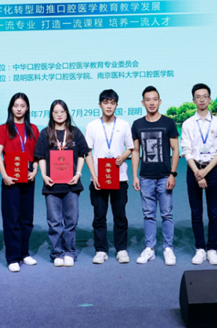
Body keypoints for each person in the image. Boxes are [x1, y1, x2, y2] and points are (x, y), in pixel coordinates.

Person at [35, 100, 89, 267]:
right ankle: (57, 252)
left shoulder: (75, 132)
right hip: (51, 185)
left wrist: (78, 173)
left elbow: (82, 154)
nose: (59, 114)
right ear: (51, 114)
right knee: (54, 221)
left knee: (71, 220)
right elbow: (41, 157)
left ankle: (70, 252)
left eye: (62, 111)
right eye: (56, 112)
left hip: (71, 184)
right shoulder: (45, 133)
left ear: (67, 113)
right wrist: (44, 175)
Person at [131, 86, 180, 266]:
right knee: (148, 214)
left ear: (160, 101)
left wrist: (172, 174)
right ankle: (149, 248)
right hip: (145, 177)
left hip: (164, 176)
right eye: (148, 100)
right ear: (143, 103)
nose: (151, 103)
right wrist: (135, 175)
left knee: (166, 214)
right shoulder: (137, 124)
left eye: (154, 99)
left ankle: (168, 248)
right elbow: (136, 151)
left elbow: (176, 150)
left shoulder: (168, 123)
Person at [84, 89, 134, 264]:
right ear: (100, 105)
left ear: (116, 105)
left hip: (119, 177)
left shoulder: (124, 125)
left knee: (120, 215)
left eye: (112, 103)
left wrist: (123, 157)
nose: (109, 106)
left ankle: (121, 249)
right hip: (99, 179)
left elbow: (131, 147)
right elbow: (87, 152)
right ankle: (101, 250)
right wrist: (94, 175)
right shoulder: (92, 126)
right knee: (99, 216)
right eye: (105, 103)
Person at [0, 93, 41, 273]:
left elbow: (37, 154)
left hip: (28, 176)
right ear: (11, 108)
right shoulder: (4, 128)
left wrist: (35, 170)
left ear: (27, 108)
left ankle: (24, 253)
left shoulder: (33, 129)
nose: (19, 109)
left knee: (26, 218)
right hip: (10, 177)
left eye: (22, 106)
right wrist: (4, 175)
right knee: (11, 218)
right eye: (16, 105)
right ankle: (13, 257)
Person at [180, 84, 217, 265]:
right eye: (198, 96)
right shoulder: (188, 124)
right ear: (193, 100)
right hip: (194, 169)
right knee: (196, 212)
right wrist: (197, 173)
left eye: (205, 96)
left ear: (209, 99)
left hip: (212, 170)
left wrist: (205, 172)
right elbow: (186, 151)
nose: (201, 99)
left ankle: (212, 248)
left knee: (214, 212)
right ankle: (200, 248)